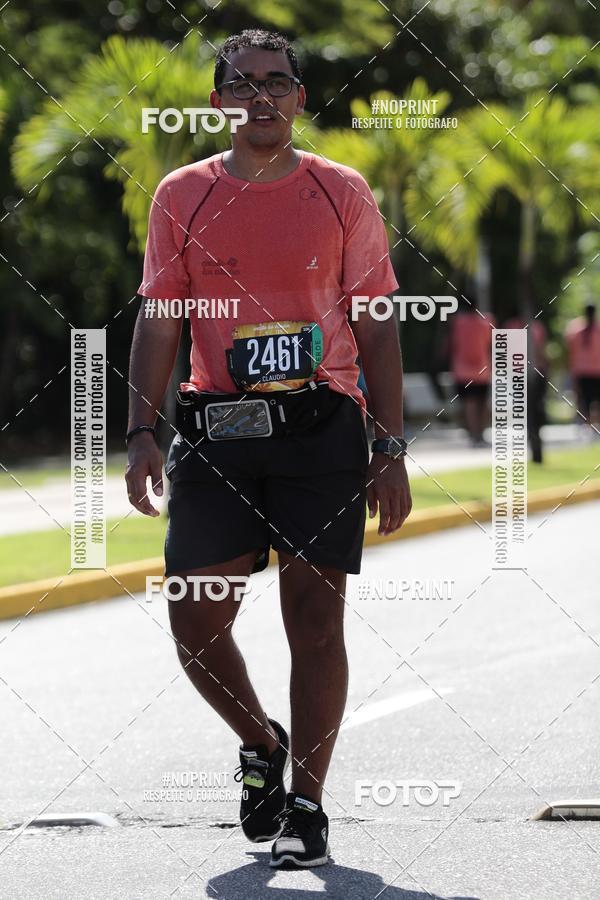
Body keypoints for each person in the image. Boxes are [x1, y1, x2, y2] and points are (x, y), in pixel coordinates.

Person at [125, 29, 412, 869]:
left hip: (321, 427)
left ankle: (308, 807)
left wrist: (389, 444)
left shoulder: (340, 190)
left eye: (278, 82)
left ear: (299, 98)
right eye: (245, 84)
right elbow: (160, 318)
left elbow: (377, 322)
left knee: (314, 620)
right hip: (217, 429)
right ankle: (261, 743)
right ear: (219, 102)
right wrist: (140, 432)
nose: (262, 96)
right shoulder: (183, 194)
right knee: (195, 618)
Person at [446, 298, 495, 446]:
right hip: (483, 371)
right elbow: (491, 344)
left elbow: (450, 344)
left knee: (469, 404)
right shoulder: (486, 321)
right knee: (483, 404)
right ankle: (481, 434)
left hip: (462, 371)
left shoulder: (457, 322)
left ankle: (474, 436)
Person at [503, 312, 548, 463]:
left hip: (536, 372)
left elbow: (541, 350)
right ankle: (530, 431)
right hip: (518, 372)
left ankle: (534, 432)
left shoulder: (537, 327)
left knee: (536, 406)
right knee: (525, 405)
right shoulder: (511, 326)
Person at [566, 303, 600, 430]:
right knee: (590, 400)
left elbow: (571, 352)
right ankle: (592, 424)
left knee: (585, 400)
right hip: (593, 371)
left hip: (583, 371)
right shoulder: (580, 329)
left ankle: (588, 424)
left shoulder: (575, 329)